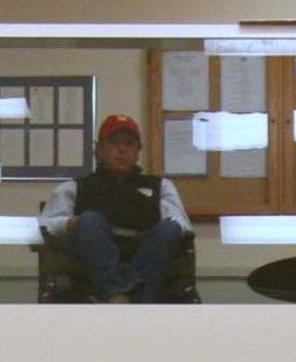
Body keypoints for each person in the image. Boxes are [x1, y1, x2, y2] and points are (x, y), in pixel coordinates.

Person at [39, 114, 193, 303]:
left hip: (144, 250)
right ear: (100, 149)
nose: (122, 150)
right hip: (94, 252)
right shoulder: (74, 187)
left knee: (170, 228)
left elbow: (182, 226)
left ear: (138, 150)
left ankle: (118, 296)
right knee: (89, 221)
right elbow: (47, 224)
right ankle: (127, 295)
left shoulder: (161, 187)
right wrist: (73, 223)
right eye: (114, 143)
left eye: (129, 143)